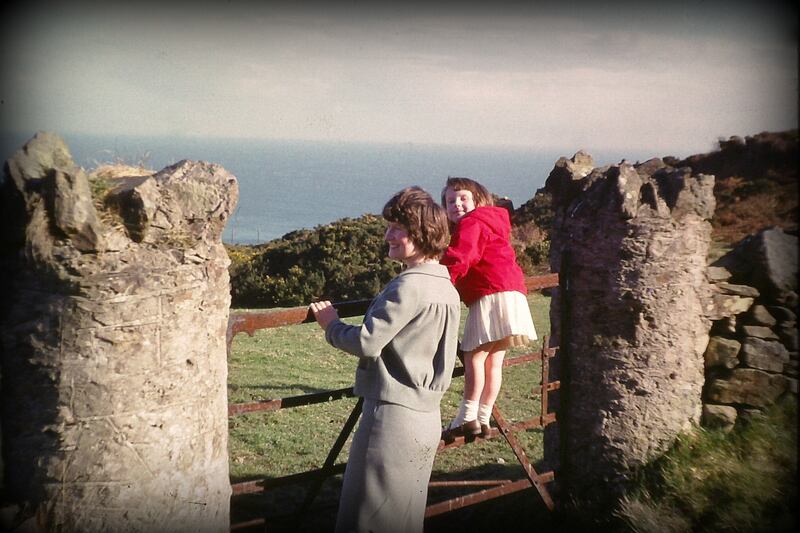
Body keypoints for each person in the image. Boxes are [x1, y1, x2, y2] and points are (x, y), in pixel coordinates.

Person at [309, 186, 461, 533]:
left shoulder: (407, 286)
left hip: (391, 419)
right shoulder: (445, 286)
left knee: (369, 518)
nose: (388, 235)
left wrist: (331, 324)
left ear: (423, 233)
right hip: (426, 417)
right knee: (403, 518)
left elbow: (366, 342)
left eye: (398, 228)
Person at [439, 176, 537, 440]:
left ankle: (466, 417)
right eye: (450, 201)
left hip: (490, 293)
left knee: (474, 357)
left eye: (462, 198)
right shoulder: (492, 222)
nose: (456, 204)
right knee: (494, 362)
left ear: (478, 200)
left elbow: (462, 256)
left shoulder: (471, 223)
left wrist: (438, 279)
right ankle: (484, 418)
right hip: (512, 292)